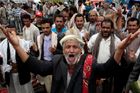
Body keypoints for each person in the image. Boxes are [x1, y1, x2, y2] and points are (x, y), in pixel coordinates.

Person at [1, 24, 140, 93]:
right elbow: (37, 66)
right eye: (68, 47)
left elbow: (106, 69)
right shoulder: (57, 61)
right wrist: (17, 45)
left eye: (75, 47)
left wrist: (120, 49)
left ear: (80, 49)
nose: (71, 50)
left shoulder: (89, 61)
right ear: (64, 50)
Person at [0, 25, 35, 93]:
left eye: (12, 32)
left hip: (22, 73)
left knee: (26, 90)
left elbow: (31, 46)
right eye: (8, 32)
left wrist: (34, 46)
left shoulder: (23, 42)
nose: (10, 34)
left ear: (16, 32)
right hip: (10, 74)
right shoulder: (2, 45)